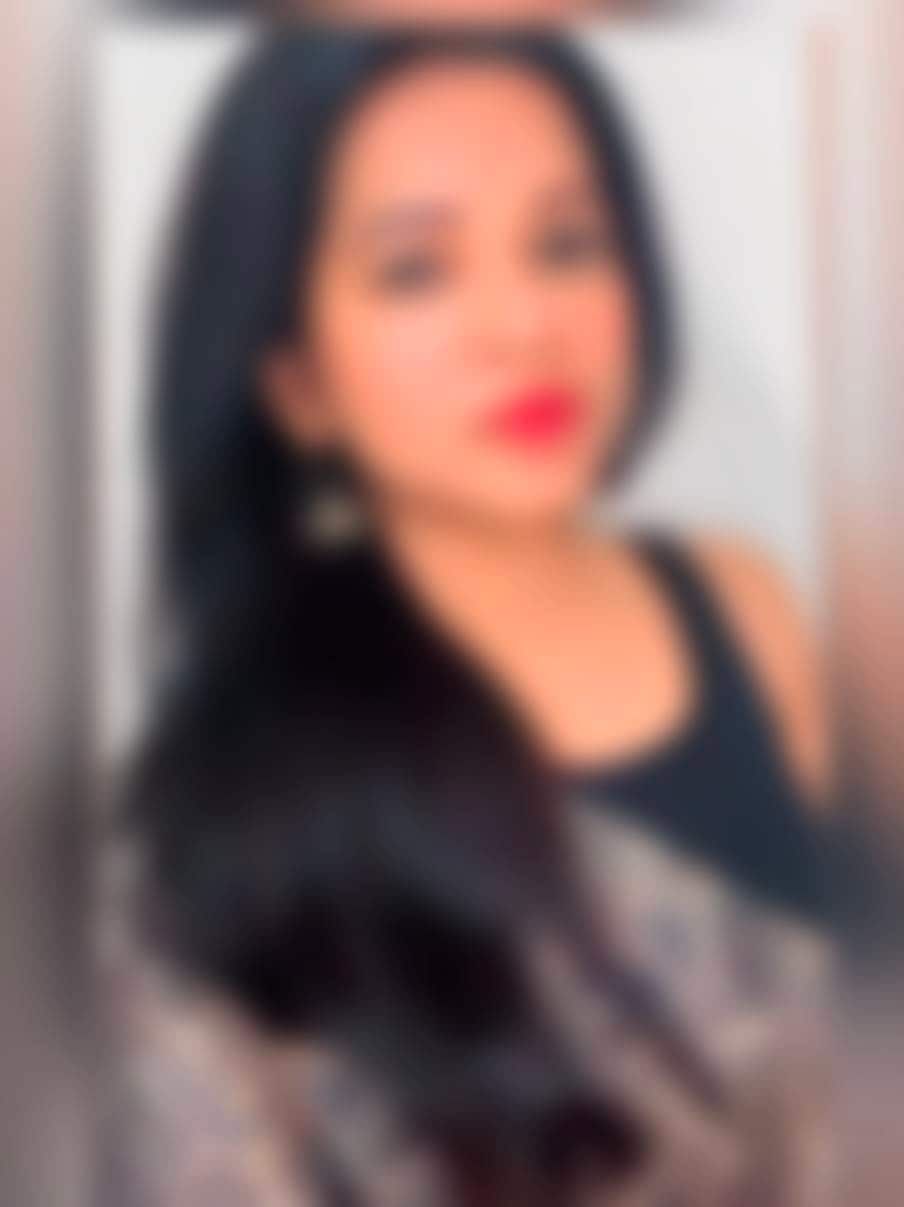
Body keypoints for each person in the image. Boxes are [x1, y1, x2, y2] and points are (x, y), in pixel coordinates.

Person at [103, 29, 836, 1207]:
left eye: (565, 244)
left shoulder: (746, 606)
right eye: (416, 271)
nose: (523, 322)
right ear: (297, 381)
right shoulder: (229, 817)